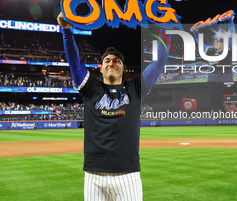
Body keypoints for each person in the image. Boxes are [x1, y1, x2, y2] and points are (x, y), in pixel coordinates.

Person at [57, 12, 170, 201]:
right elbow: (74, 62)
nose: (112, 63)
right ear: (100, 68)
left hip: (128, 175)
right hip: (93, 174)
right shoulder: (90, 88)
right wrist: (66, 30)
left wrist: (162, 29)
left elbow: (159, 63)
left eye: (117, 61)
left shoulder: (135, 88)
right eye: (107, 60)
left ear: (124, 68)